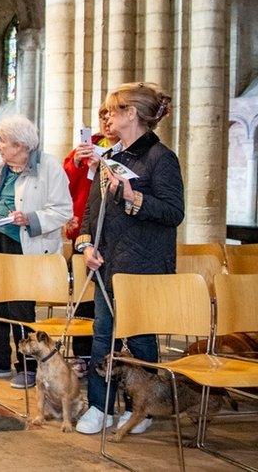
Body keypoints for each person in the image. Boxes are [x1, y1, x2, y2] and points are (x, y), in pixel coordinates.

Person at [74, 83, 183, 435]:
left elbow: (173, 212)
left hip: (144, 265)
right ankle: (99, 406)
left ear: (131, 114)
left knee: (139, 338)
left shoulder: (160, 158)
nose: (106, 117)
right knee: (102, 335)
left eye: (112, 111)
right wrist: (86, 246)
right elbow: (92, 210)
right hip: (108, 262)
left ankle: (144, 409)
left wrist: (134, 198)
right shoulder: (110, 157)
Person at [0, 114, 72, 390]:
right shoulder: (2, 169)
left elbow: (63, 209)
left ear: (21, 144)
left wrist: (30, 219)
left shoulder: (48, 167)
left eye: (3, 141)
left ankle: (26, 366)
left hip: (25, 245)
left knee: (20, 307)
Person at [63, 108, 119, 362]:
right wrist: (76, 164)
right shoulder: (86, 148)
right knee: (85, 296)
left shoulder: (130, 149)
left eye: (111, 116)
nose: (107, 121)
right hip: (84, 230)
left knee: (113, 294)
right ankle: (84, 354)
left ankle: (114, 355)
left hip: (115, 233)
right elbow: (63, 186)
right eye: (103, 117)